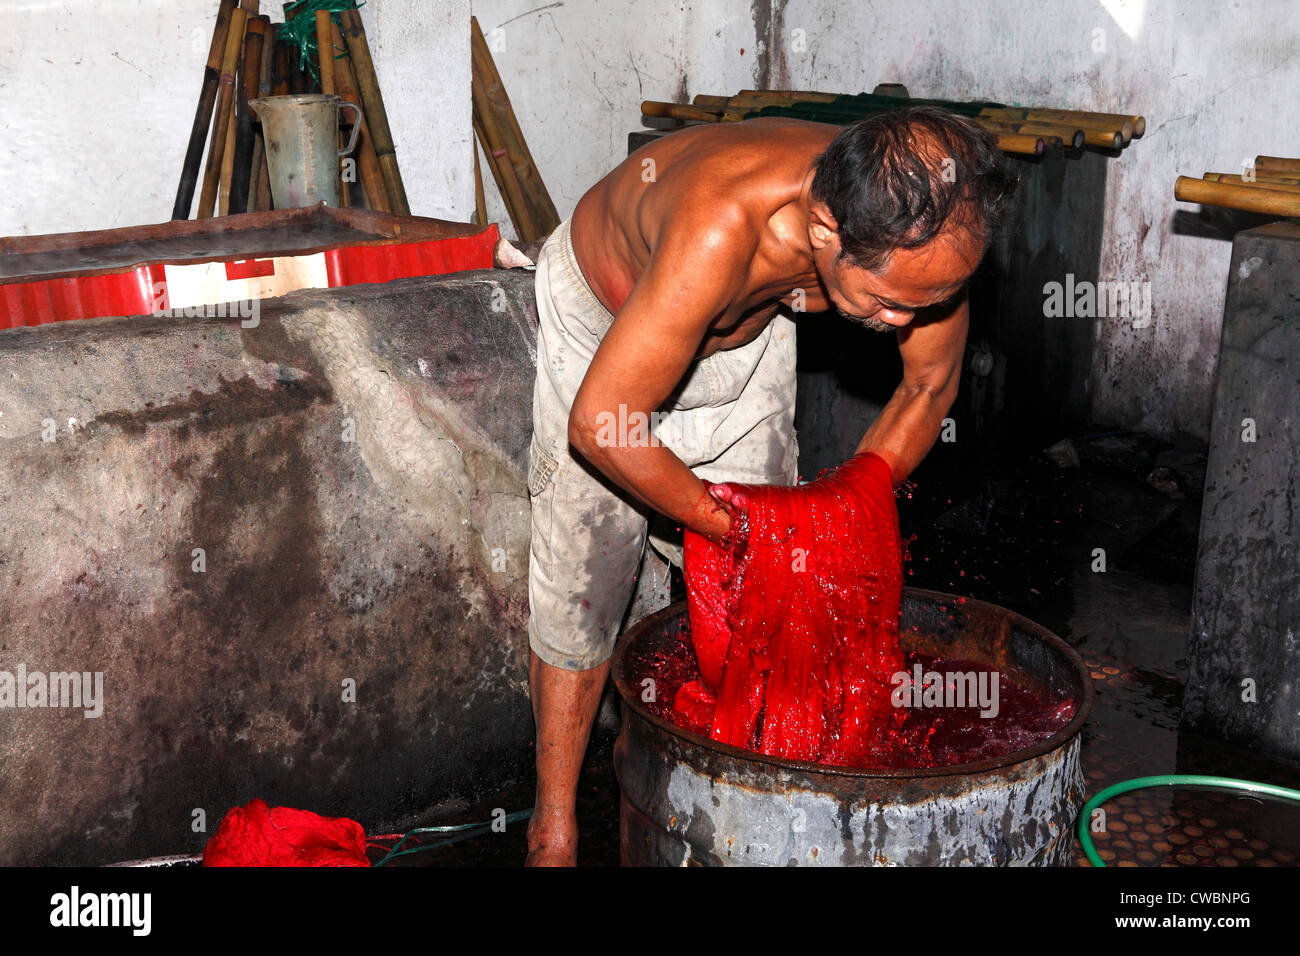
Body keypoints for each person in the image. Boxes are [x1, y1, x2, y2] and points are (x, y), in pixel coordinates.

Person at [524, 106, 1017, 865]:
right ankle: (551, 831)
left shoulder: (927, 233)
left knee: (769, 591)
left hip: (743, 334)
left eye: (930, 302)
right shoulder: (719, 224)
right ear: (824, 229)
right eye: (891, 302)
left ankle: (678, 773)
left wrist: (847, 506)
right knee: (586, 580)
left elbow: (927, 390)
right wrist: (742, 527)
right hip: (606, 324)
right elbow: (603, 424)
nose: (906, 319)